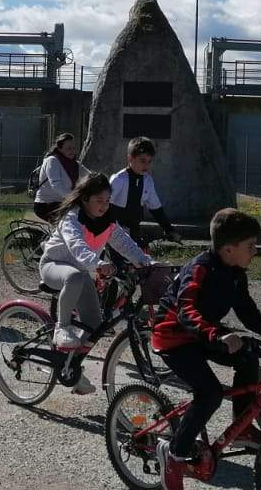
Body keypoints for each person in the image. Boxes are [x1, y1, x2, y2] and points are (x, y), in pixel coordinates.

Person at [149, 208, 261, 490]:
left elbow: (249, 316)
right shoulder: (200, 268)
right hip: (174, 338)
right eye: (250, 246)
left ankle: (241, 429)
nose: (255, 251)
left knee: (248, 355)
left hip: (205, 334)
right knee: (209, 394)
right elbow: (186, 311)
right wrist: (218, 334)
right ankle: (174, 453)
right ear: (229, 249)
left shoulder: (235, 273)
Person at [36, 171, 151, 389]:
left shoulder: (106, 221)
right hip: (53, 266)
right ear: (85, 198)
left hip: (82, 272)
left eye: (107, 201)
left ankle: (71, 369)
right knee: (75, 276)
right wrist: (97, 264)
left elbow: (123, 243)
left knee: (94, 325)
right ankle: (62, 327)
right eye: (99, 200)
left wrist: (144, 261)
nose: (104, 205)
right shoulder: (72, 218)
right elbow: (76, 246)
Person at [108, 138, 177, 245]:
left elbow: (156, 208)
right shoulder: (118, 179)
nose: (146, 165)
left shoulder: (148, 181)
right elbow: (105, 206)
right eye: (142, 161)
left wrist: (169, 229)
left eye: (149, 161)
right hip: (114, 233)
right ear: (130, 159)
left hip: (134, 232)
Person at [32, 133, 81, 220]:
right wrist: (72, 198)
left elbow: (91, 176)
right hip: (46, 205)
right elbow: (56, 184)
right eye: (69, 148)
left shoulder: (74, 164)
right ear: (59, 149)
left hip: (61, 203)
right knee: (69, 223)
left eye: (73, 148)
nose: (72, 151)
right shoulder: (52, 161)